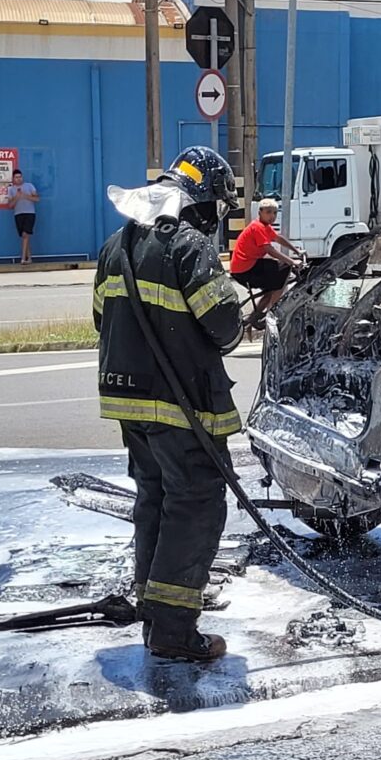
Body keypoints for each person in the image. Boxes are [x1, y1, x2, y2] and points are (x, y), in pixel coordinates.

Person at [92, 146, 244, 662]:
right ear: (201, 204)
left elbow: (100, 319)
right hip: (182, 407)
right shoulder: (189, 246)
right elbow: (224, 329)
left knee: (153, 500)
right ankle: (175, 631)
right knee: (196, 505)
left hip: (129, 403)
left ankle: (152, 612)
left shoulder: (116, 244)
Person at [229, 197, 306, 327]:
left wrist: (297, 251)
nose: (272, 216)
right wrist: (292, 261)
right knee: (283, 269)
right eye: (268, 212)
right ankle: (272, 314)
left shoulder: (265, 227)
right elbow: (270, 250)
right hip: (245, 270)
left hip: (249, 266)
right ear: (260, 212)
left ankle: (254, 317)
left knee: (274, 284)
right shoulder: (257, 227)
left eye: (275, 213)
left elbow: (278, 238)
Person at [8, 167, 39, 264]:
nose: (19, 179)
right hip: (18, 214)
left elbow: (37, 199)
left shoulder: (29, 186)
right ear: (13, 179)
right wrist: (17, 197)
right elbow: (10, 205)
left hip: (30, 213)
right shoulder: (11, 189)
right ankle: (29, 258)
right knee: (24, 236)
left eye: (20, 177)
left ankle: (23, 258)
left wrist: (25, 196)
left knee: (26, 234)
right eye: (16, 177)